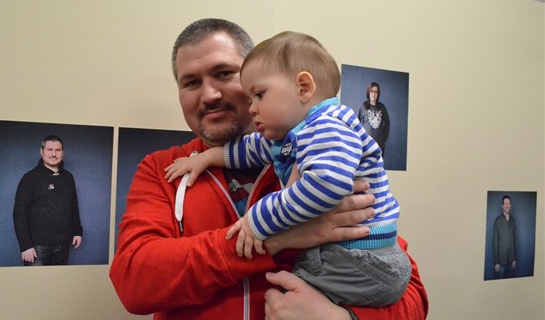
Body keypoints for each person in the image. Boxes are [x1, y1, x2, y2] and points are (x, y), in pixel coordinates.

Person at [110, 18, 428, 319]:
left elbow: (409, 293)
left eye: (224, 74)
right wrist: (275, 240)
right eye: (191, 82)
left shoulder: (318, 150)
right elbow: (135, 281)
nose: (209, 94)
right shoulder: (163, 168)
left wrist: (340, 317)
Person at [13, 134, 83, 266]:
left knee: (58, 284)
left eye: (58, 150)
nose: (54, 154)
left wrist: (78, 231)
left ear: (63, 152)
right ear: (42, 151)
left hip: (63, 244)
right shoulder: (30, 178)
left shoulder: (68, 178)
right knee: (36, 285)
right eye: (49, 150)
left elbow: (73, 206)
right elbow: (19, 214)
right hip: (37, 247)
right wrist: (25, 245)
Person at [358, 82, 390, 156]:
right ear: (368, 92)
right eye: (371, 91)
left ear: (378, 94)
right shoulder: (364, 106)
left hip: (379, 144)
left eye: (376, 92)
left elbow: (387, 122)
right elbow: (358, 123)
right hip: (366, 144)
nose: (373, 94)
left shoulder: (382, 107)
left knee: (378, 166)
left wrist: (384, 138)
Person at [492, 194, 517, 279]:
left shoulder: (513, 221)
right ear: (502, 206)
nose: (507, 205)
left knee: (510, 287)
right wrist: (496, 262)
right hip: (500, 262)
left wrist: (514, 258)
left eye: (509, 203)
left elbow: (514, 240)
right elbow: (495, 242)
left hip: (511, 260)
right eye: (505, 204)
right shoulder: (497, 221)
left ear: (510, 205)